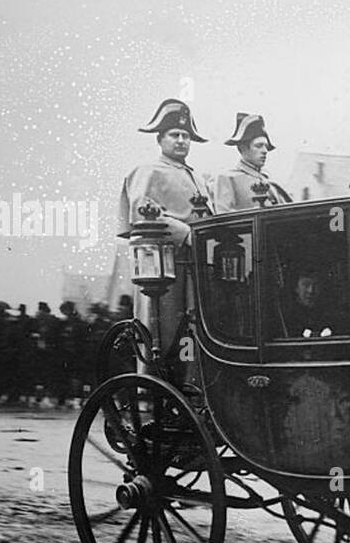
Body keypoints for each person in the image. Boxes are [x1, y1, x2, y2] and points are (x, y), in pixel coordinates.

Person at [117, 98, 213, 359]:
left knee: (196, 328)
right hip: (164, 264)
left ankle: (191, 387)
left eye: (186, 136)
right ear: (160, 139)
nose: (181, 140)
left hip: (197, 264)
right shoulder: (148, 171)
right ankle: (156, 386)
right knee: (164, 329)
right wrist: (186, 234)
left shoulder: (199, 178)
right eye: (175, 135)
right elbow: (144, 214)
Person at [211, 113, 292, 213]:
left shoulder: (269, 181)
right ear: (243, 148)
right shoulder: (228, 178)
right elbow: (223, 217)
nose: (265, 150)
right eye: (259, 146)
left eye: (266, 146)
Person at [282, 268, 336, 337]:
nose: (311, 290)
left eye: (316, 285)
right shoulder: (287, 317)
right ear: (296, 288)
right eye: (306, 285)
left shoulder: (329, 314)